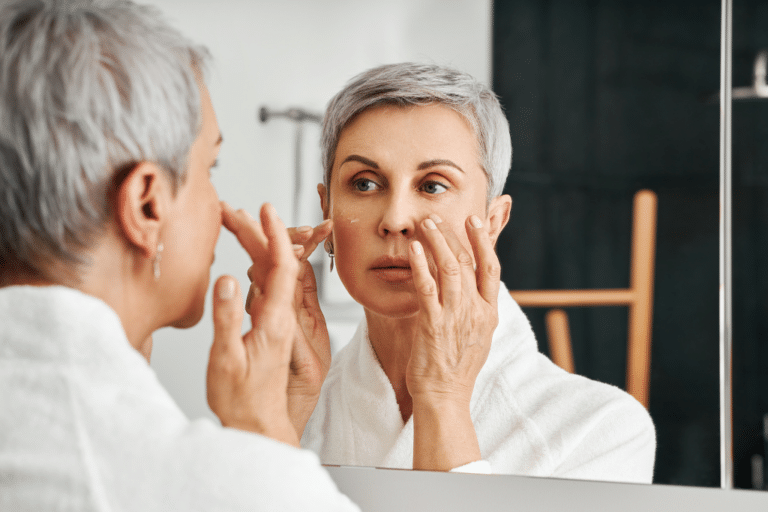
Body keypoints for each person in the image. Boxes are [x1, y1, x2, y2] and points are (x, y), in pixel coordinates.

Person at [0, 1, 358, 510]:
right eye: (210, 168)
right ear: (147, 204)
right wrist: (264, 436)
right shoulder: (197, 481)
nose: (222, 208)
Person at [264, 62, 656, 482]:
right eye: (364, 183)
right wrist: (285, 406)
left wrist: (443, 398)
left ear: (493, 222)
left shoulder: (598, 432)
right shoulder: (290, 406)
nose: (395, 219)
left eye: (432, 185)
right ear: (327, 212)